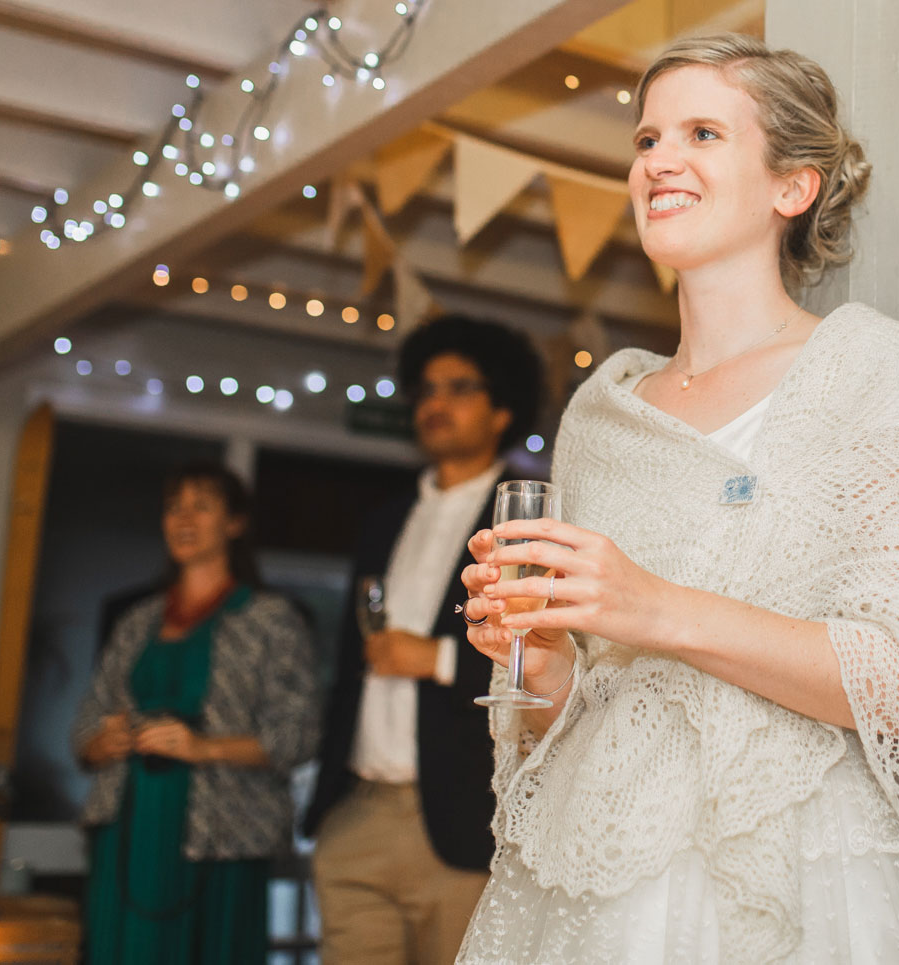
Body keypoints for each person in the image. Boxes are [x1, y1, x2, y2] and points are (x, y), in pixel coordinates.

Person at [454, 33, 899, 963]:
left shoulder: (877, 370)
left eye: (702, 133)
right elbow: (576, 718)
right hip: (604, 881)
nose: (658, 159)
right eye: (646, 139)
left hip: (814, 872)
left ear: (794, 188)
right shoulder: (602, 411)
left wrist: (656, 608)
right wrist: (544, 669)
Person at [306, 316, 545, 964]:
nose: (435, 403)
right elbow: (352, 657)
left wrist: (437, 658)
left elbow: (548, 658)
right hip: (357, 811)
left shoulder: (530, 518)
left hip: (463, 816)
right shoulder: (383, 521)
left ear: (502, 409)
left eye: (459, 387)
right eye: (425, 388)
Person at [73, 462, 320, 965]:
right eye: (173, 507)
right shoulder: (137, 619)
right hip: (129, 825)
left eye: (201, 505)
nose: (183, 518)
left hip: (223, 835)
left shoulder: (270, 619)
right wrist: (106, 739)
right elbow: (84, 730)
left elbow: (298, 736)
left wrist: (201, 747)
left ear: (234, 523)